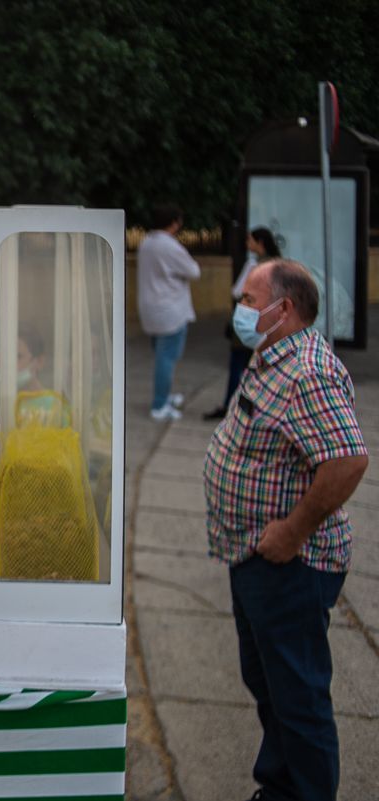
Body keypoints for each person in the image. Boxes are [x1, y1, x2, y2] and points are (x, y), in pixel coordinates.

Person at [203, 259, 368, 801]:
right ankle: (281, 787)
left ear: (284, 309)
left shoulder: (308, 372)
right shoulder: (271, 356)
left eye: (250, 300)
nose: (241, 310)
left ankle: (306, 792)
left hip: (290, 564)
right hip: (253, 554)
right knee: (269, 684)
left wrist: (294, 533)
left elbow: (346, 460)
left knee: (298, 700)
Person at [204, 227, 282, 420]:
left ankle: (230, 407)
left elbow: (237, 291)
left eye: (250, 240)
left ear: (260, 243)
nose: (247, 243)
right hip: (268, 322)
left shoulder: (253, 265)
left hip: (248, 321)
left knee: (238, 364)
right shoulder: (279, 265)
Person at [136, 203, 201, 421]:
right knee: (167, 359)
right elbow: (194, 271)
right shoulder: (170, 246)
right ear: (174, 223)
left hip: (150, 309)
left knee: (162, 356)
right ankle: (159, 405)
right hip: (170, 310)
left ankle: (165, 395)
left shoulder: (146, 243)